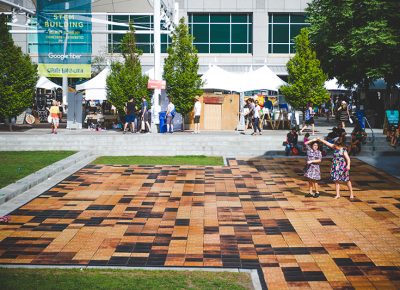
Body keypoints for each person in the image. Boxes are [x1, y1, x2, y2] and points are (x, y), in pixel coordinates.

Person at [318, 135, 354, 199]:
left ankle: (351, 193)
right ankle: (337, 194)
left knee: (347, 180)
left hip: (342, 166)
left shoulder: (343, 150)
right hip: (335, 166)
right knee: (336, 180)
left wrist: (348, 165)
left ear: (339, 145)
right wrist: (320, 139)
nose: (335, 146)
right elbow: (327, 143)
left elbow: (348, 159)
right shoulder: (334, 147)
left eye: (336, 146)